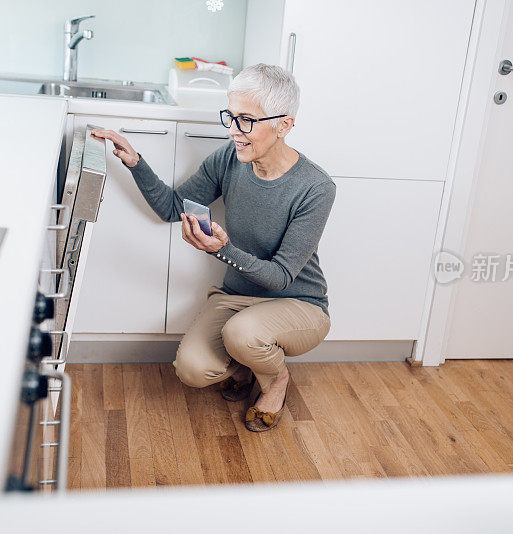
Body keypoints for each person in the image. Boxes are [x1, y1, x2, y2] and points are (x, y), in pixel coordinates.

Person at [91, 63, 336, 432]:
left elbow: (281, 277)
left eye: (247, 121)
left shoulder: (316, 187)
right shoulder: (228, 160)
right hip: (237, 297)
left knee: (243, 334)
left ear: (284, 125)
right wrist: (135, 162)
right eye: (231, 117)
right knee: (191, 369)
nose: (235, 131)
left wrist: (220, 250)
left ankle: (276, 381)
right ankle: (247, 362)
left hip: (298, 303)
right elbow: (173, 207)